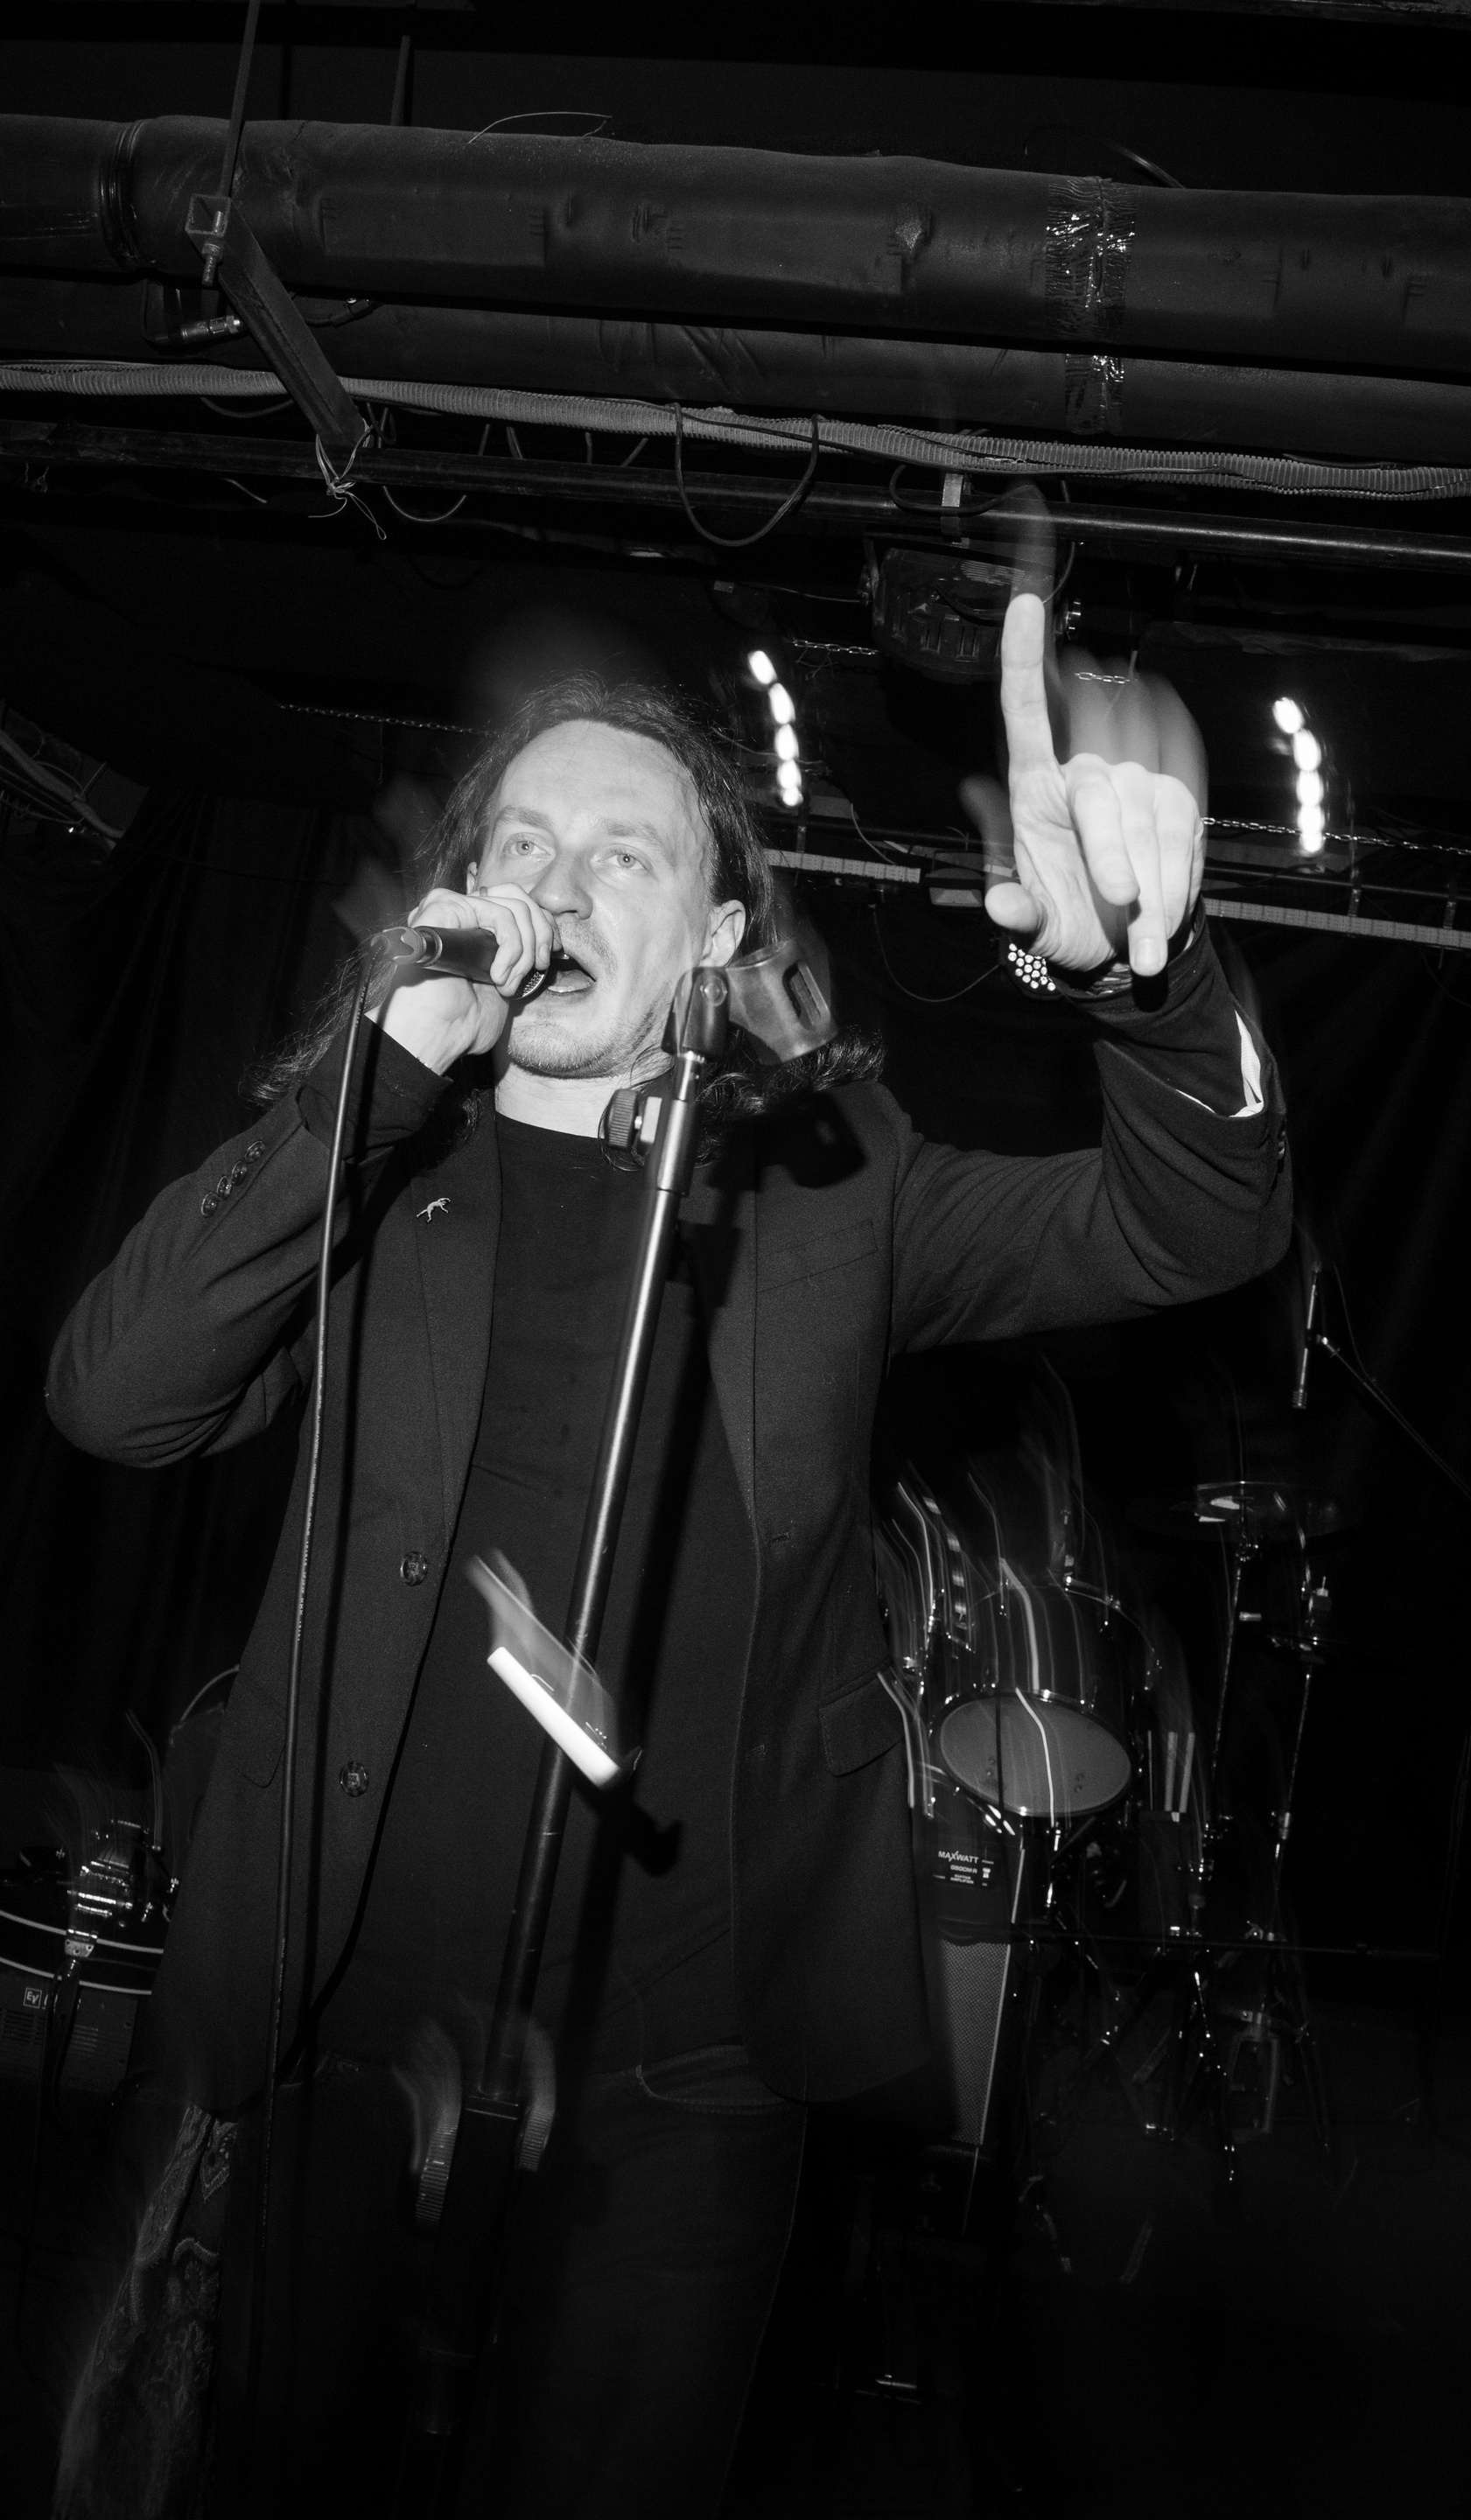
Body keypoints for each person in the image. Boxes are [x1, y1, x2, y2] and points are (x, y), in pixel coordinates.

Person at [46, 592, 1291, 2516]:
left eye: (623, 854)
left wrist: (1153, 977)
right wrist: (363, 1087)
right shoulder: (368, 1168)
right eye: (521, 843)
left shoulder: (836, 1194)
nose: (555, 886)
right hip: (328, 2031)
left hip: (693, 2075)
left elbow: (1196, 1224)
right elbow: (112, 1401)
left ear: (714, 934)